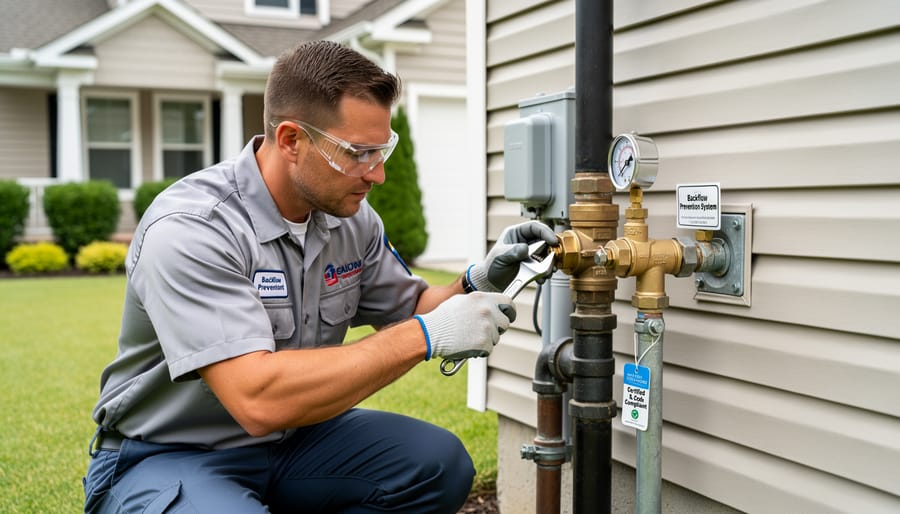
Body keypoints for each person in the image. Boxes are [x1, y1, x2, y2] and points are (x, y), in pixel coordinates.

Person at [82, 40, 557, 514]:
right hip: (169, 453)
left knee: (437, 465)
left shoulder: (351, 218)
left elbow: (411, 309)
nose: (378, 175)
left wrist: (477, 283)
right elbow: (258, 399)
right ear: (291, 140)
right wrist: (425, 337)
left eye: (382, 149)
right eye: (359, 152)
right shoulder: (193, 228)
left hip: (294, 444)